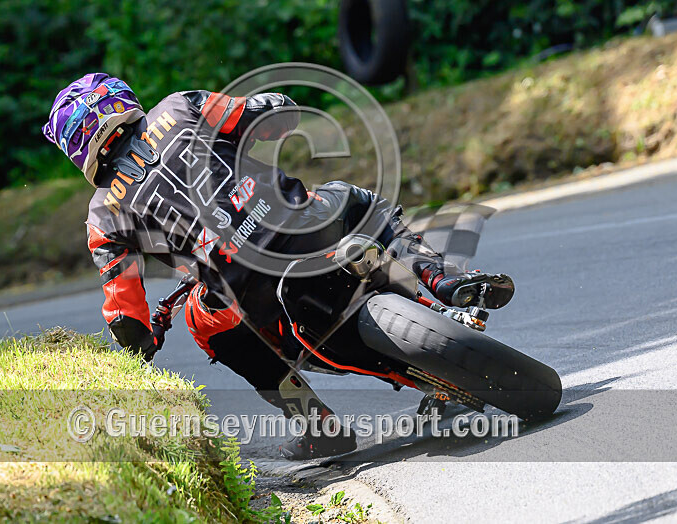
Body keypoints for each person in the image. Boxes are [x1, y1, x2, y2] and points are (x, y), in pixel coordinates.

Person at [42, 73, 515, 459]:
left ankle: (317, 425)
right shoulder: (179, 108)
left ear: (77, 148)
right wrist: (273, 108)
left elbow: (125, 316)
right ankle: (444, 280)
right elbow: (268, 116)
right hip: (300, 220)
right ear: (122, 101)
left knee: (201, 324)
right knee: (361, 201)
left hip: (244, 289)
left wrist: (142, 345)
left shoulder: (102, 215)